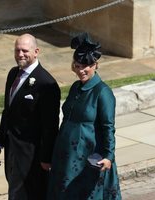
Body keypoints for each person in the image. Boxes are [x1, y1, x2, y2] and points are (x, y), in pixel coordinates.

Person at [47, 33, 122, 200]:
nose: (81, 70)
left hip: (88, 158)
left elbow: (108, 128)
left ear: (95, 65)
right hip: (66, 156)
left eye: (85, 66)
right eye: (77, 66)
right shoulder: (75, 87)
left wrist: (108, 156)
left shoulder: (103, 92)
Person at [0, 33, 61, 200]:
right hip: (12, 149)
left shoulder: (47, 84)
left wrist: (46, 158)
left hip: (32, 156)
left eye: (24, 50)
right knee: (14, 191)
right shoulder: (12, 74)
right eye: (17, 50)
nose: (20, 54)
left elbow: (50, 125)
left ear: (36, 51)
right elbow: (7, 112)